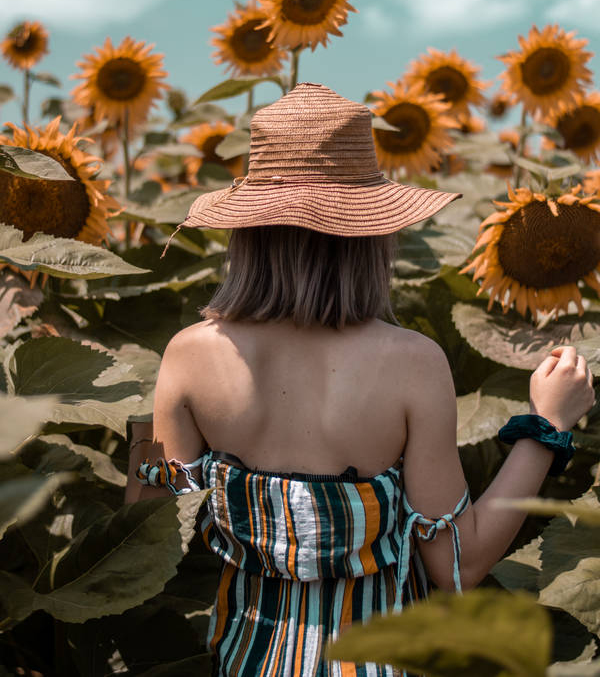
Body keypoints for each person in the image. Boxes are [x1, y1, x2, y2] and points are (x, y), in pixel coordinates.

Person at [126, 82, 595, 677]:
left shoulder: (188, 356)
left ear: (245, 233)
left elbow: (145, 533)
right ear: (372, 234)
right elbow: (459, 565)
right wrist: (546, 425)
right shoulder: (411, 362)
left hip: (244, 660)